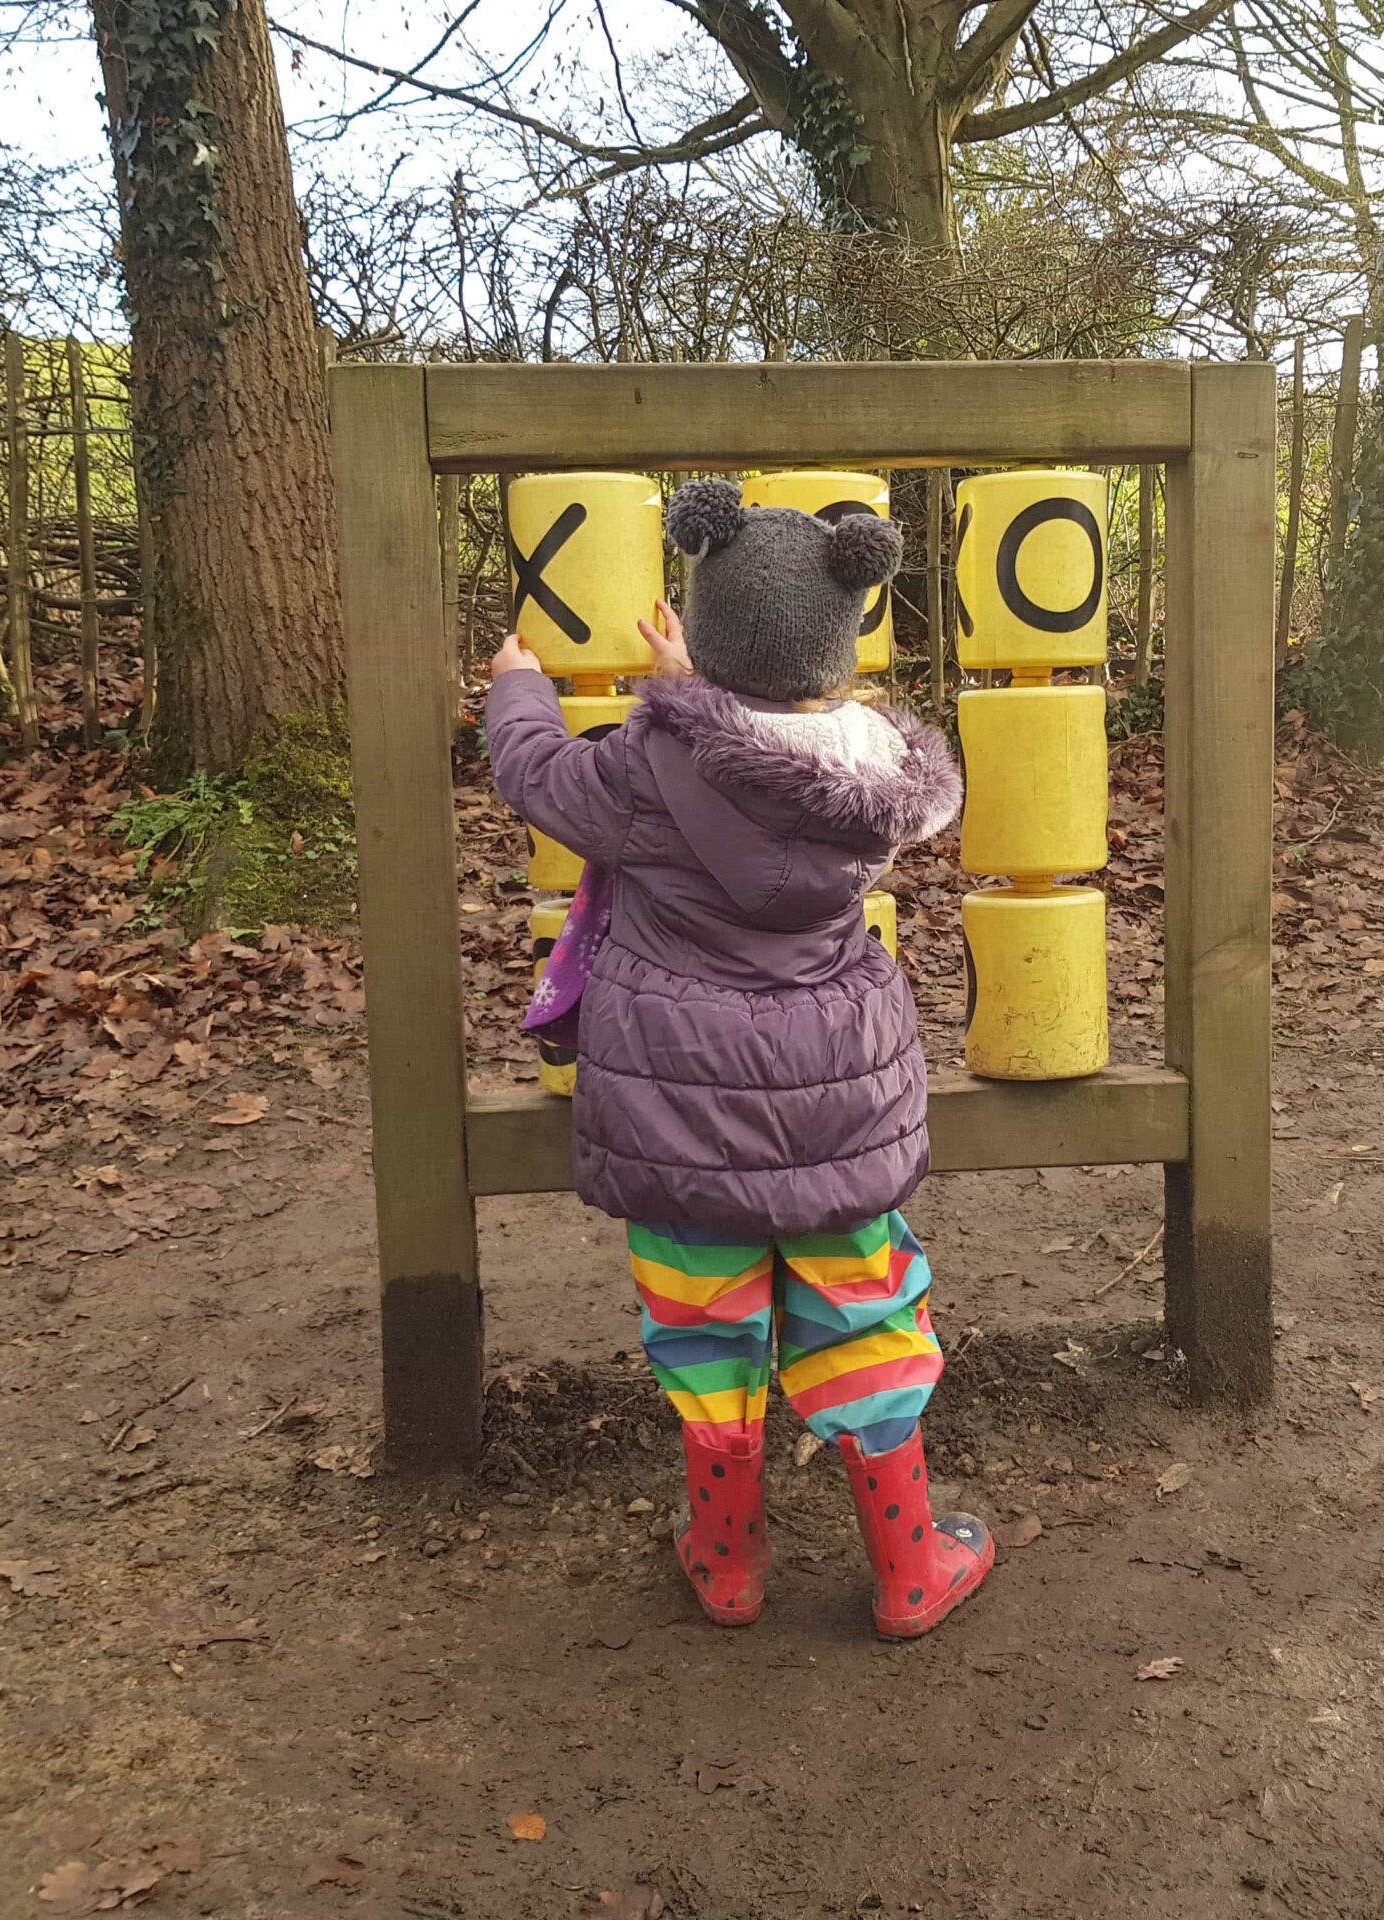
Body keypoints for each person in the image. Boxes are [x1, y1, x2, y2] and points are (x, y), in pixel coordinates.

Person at [483, 478, 993, 1640]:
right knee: (866, 1316)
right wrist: (700, 686)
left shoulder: (639, 773)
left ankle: (726, 1561)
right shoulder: (879, 779)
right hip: (836, 1103)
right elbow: (767, 751)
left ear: (700, 640)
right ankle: (910, 1566)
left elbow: (535, 775)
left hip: (680, 1116)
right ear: (847, 635)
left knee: (704, 1329)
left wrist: (517, 689)